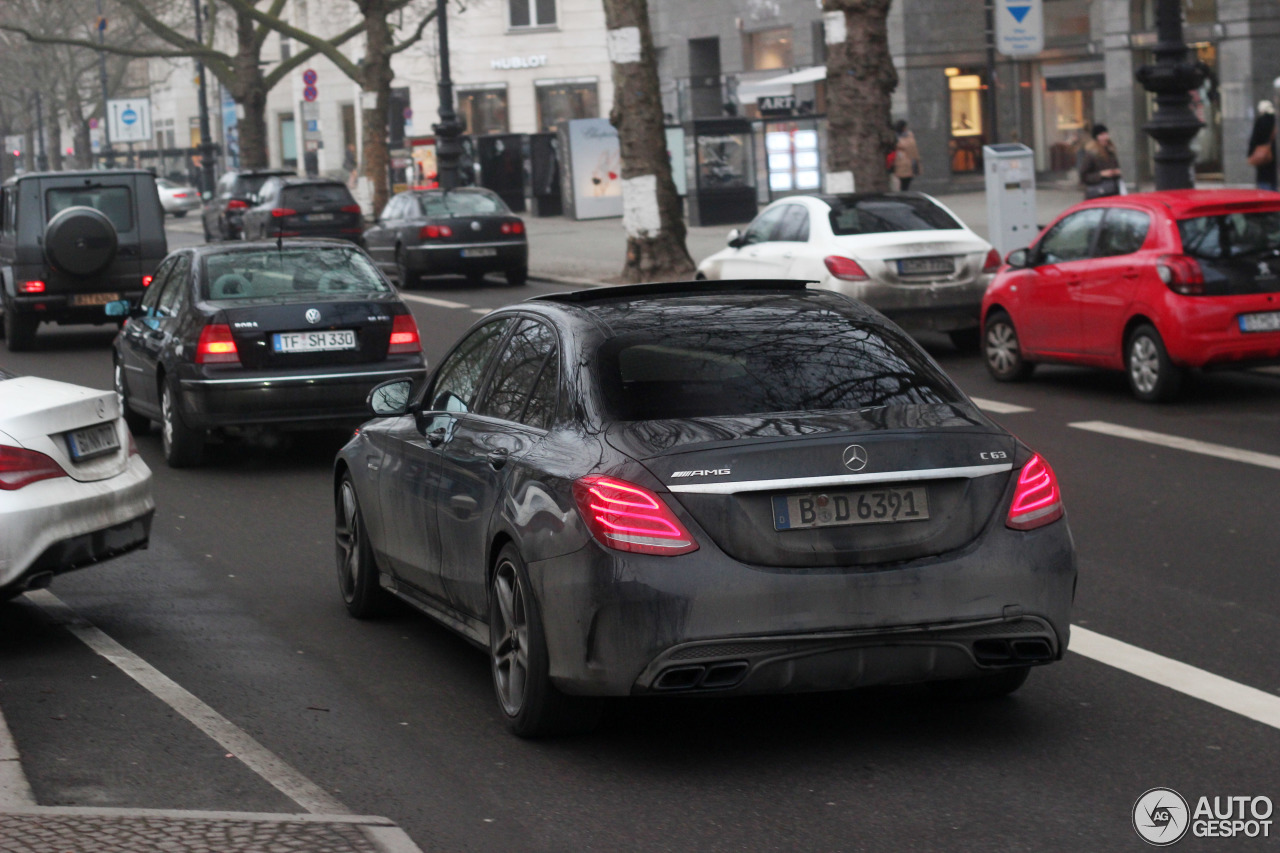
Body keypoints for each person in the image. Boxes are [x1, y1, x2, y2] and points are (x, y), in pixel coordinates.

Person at [1079, 124, 1122, 199]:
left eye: (1106, 134)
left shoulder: (1110, 151)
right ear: (1096, 137)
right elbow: (1084, 176)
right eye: (1102, 135)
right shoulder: (1091, 153)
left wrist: (1116, 172)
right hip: (1098, 193)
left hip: (1112, 191)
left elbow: (1115, 167)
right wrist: (1101, 174)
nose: (1105, 137)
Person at [1247, 100, 1277, 191]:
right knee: (1272, 176)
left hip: (1261, 152)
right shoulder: (1274, 121)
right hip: (1273, 153)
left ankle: (1265, 192)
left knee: (1263, 176)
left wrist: (1250, 153)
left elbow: (1254, 138)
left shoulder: (1260, 121)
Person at [892, 119, 921, 191]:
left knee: (904, 184)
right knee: (904, 185)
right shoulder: (908, 137)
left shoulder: (903, 137)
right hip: (905, 164)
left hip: (905, 164)